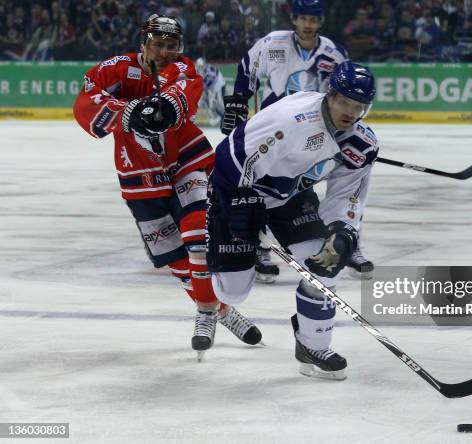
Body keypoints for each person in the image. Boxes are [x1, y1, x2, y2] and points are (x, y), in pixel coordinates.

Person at [73, 14, 261, 360]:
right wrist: (128, 112)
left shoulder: (184, 67)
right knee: (176, 258)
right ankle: (219, 310)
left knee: (197, 237)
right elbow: (86, 103)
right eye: (157, 44)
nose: (164, 52)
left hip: (186, 157)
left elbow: (179, 96)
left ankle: (205, 313)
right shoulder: (116, 69)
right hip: (138, 172)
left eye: (171, 46)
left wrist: (160, 109)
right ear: (142, 44)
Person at [208, 61, 378, 380]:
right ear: (331, 95)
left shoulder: (361, 144)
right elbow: (229, 155)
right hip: (237, 190)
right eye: (344, 102)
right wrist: (242, 204)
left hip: (291, 198)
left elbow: (345, 196)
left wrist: (341, 231)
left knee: (327, 261)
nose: (350, 112)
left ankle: (312, 345)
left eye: (358, 106)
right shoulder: (292, 119)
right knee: (232, 293)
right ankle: (200, 277)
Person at [221, 0, 374, 282]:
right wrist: (238, 105)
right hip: (281, 129)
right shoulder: (273, 43)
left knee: (350, 182)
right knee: (263, 181)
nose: (308, 25)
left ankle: (349, 243)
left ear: (321, 22)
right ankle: (259, 247)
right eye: (303, 18)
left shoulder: (333, 52)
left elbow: (349, 95)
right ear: (294, 19)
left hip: (325, 131)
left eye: (314, 20)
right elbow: (247, 70)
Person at [194, 57, 226, 127]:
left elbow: (208, 83)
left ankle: (224, 118)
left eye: (201, 66)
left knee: (218, 103)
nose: (201, 67)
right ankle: (218, 118)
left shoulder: (208, 70)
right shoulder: (200, 70)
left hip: (218, 85)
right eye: (200, 66)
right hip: (213, 87)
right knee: (212, 104)